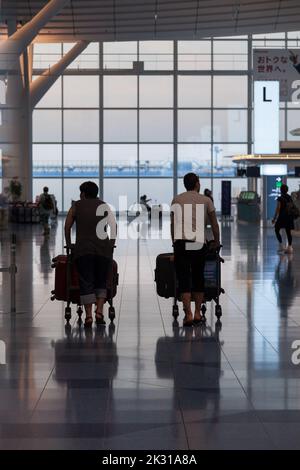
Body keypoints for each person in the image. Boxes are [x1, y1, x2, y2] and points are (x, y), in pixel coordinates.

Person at [64, 181, 117, 327]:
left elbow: (67, 226)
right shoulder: (104, 205)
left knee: (86, 280)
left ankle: (88, 316)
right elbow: (114, 226)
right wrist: (111, 244)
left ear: (83, 193)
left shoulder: (76, 206)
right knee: (101, 280)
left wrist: (69, 244)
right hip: (103, 249)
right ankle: (99, 312)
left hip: (83, 250)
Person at [171, 173, 220, 327]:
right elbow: (214, 223)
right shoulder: (206, 200)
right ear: (197, 184)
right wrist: (216, 241)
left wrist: (174, 243)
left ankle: (188, 315)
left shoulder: (177, 199)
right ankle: (198, 312)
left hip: (182, 243)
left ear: (185, 184)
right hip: (198, 243)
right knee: (198, 276)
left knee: (184, 277)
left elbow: (173, 224)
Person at [272, 184, 294, 254]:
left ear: (281, 190)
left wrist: (274, 218)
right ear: (287, 190)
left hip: (282, 217)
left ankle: (281, 246)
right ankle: (290, 248)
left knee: (276, 229)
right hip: (289, 217)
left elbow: (278, 208)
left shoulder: (280, 198)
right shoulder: (290, 197)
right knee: (288, 232)